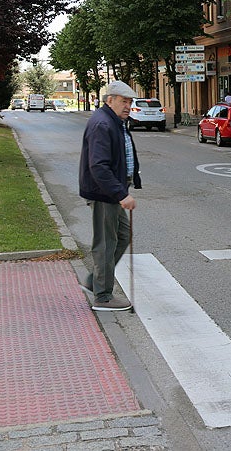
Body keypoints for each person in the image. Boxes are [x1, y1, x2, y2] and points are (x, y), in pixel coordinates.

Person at [78, 80, 142, 311]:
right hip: (105, 193)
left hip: (113, 191)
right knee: (106, 243)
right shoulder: (103, 124)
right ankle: (103, 296)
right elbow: (99, 166)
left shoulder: (114, 121)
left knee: (122, 236)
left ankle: (95, 281)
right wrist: (120, 194)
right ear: (110, 100)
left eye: (130, 102)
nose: (128, 106)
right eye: (123, 101)